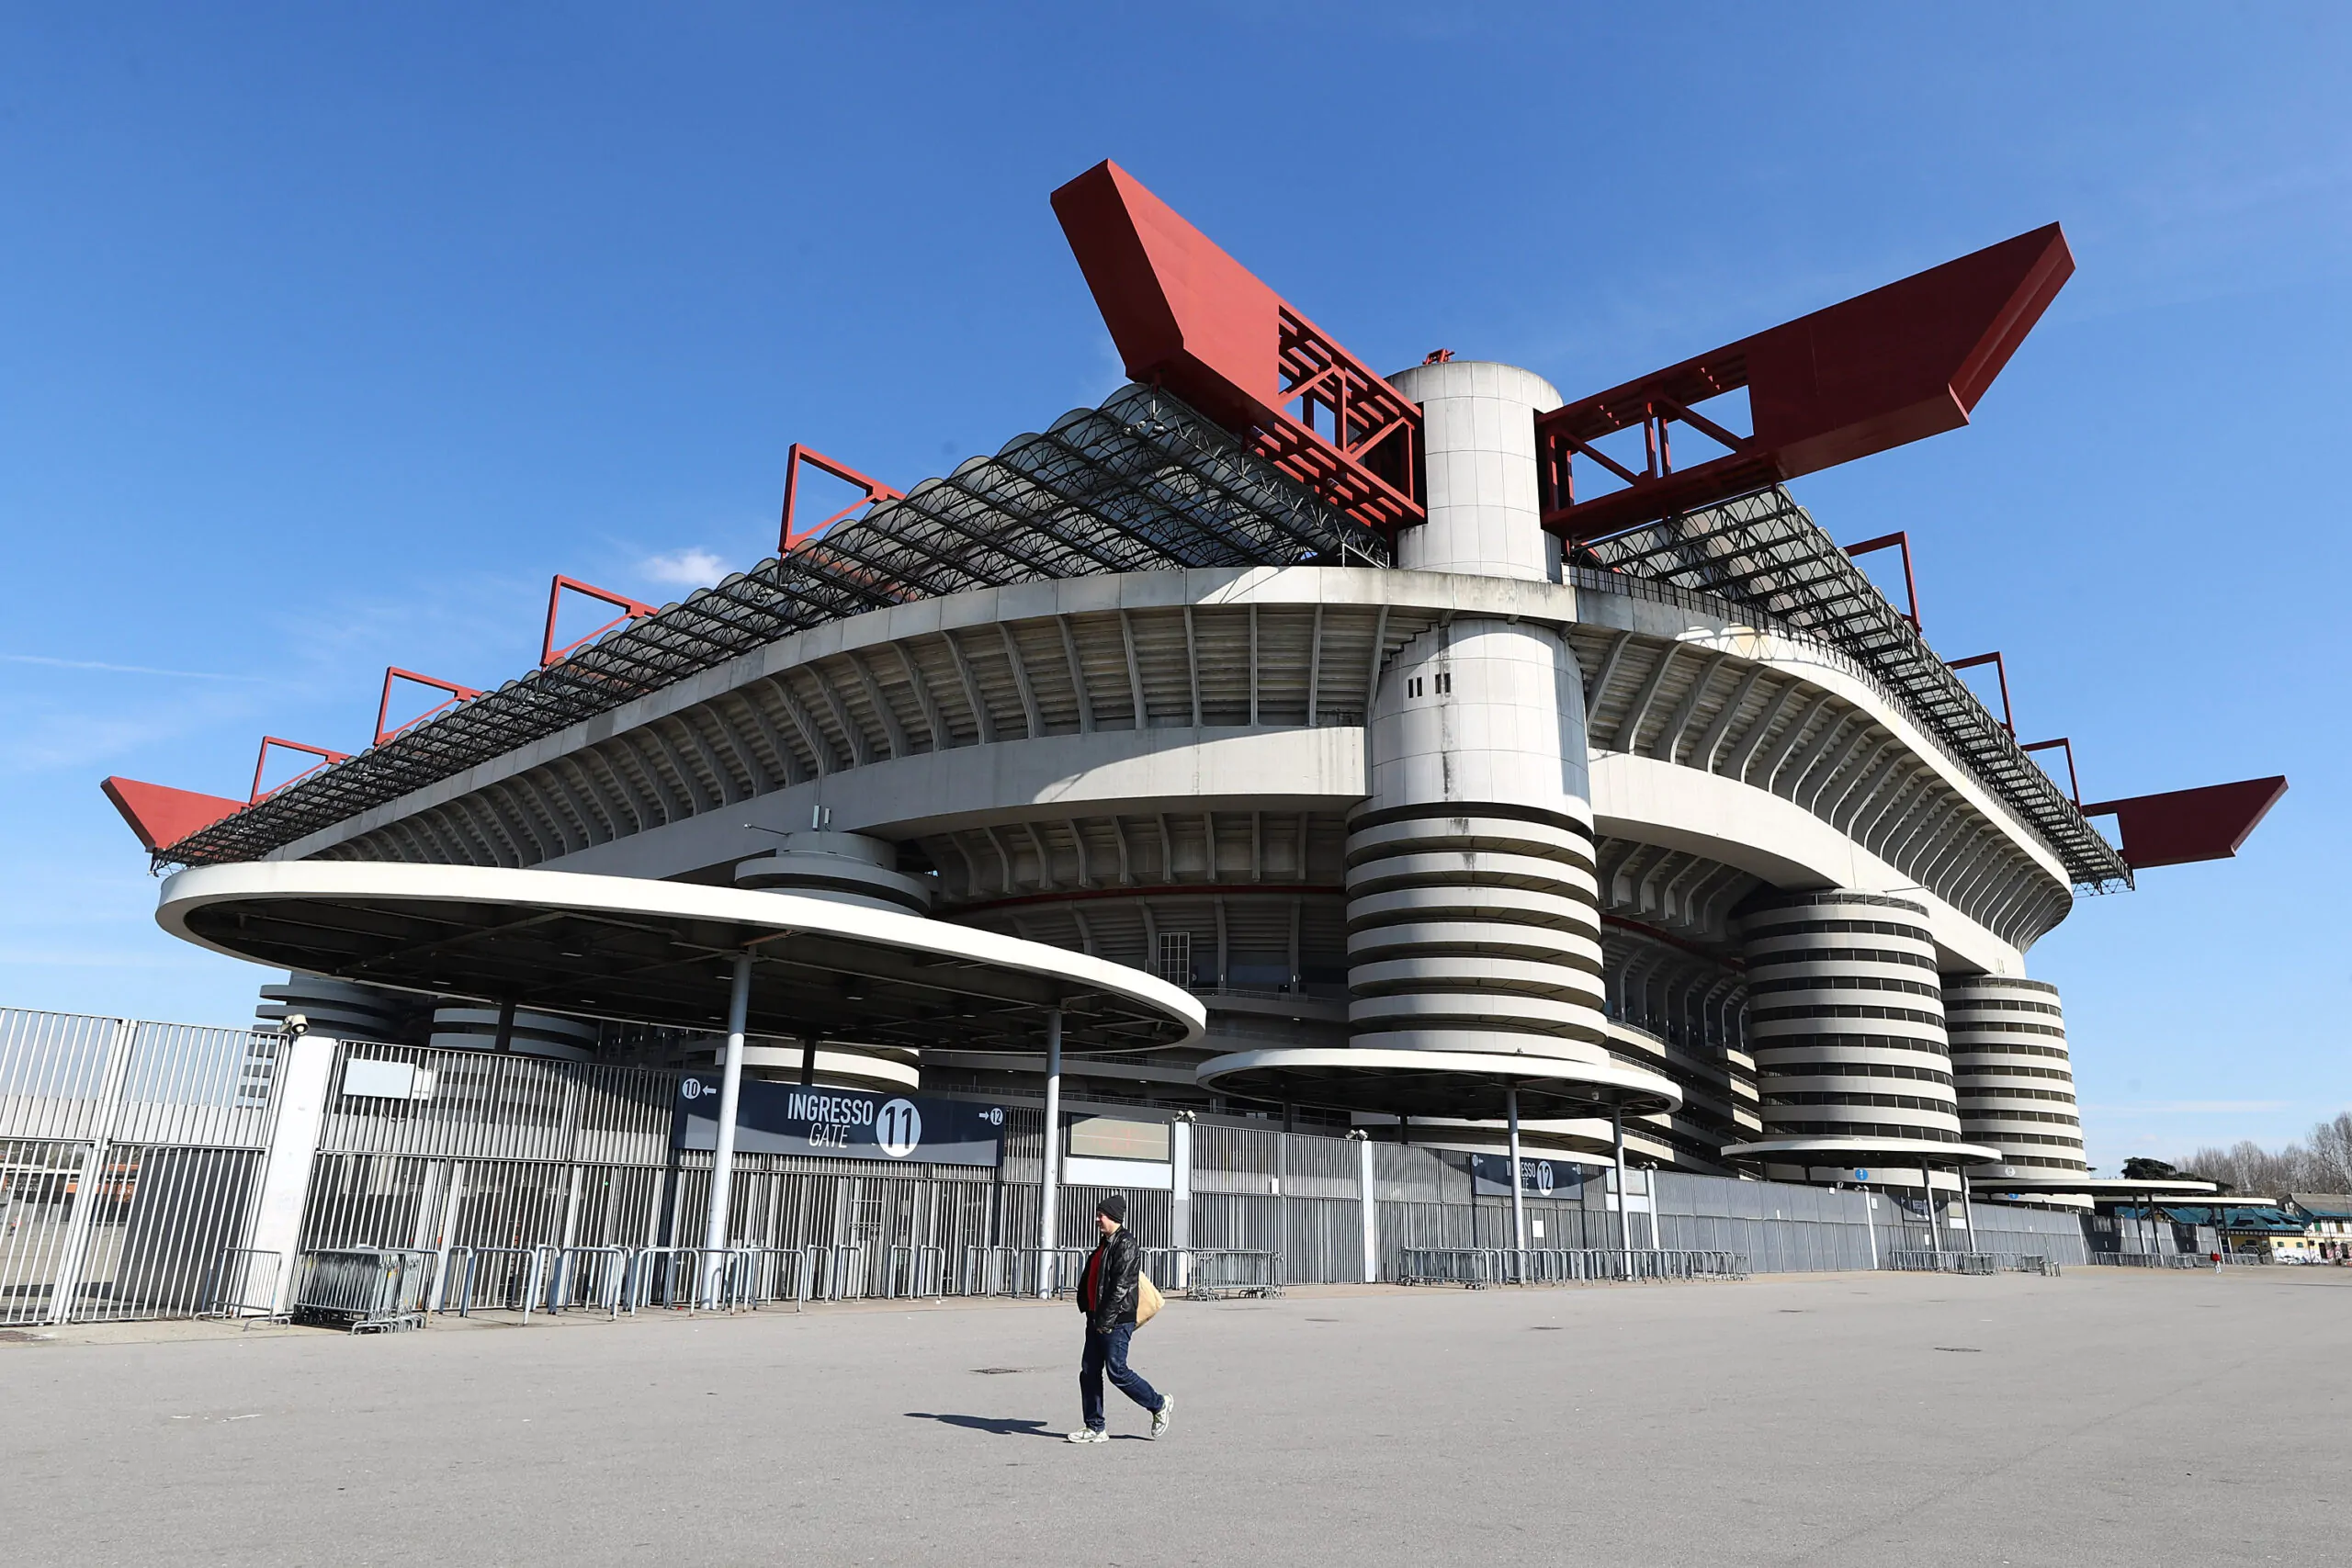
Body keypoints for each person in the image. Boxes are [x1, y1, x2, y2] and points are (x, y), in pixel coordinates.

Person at [1068, 1193, 1172, 1443]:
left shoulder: (1125, 1244)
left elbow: (1121, 1285)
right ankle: (1094, 1427)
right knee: (1089, 1371)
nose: (1097, 1219)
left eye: (1100, 1215)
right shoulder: (1105, 1243)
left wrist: (1106, 1320)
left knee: (1117, 1370)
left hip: (1115, 1319)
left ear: (1112, 1217)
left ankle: (1158, 1404)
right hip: (1097, 1318)